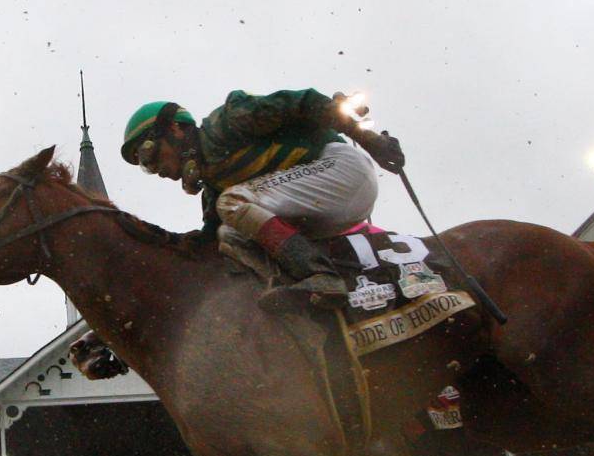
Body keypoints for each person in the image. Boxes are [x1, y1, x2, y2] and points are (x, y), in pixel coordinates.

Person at [119, 89, 405, 310]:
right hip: (327, 206)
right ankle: (299, 293)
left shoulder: (228, 122)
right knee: (228, 236)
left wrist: (368, 139)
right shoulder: (214, 187)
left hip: (343, 171)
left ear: (175, 129)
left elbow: (305, 102)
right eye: (146, 166)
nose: (155, 170)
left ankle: (321, 277)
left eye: (148, 154)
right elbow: (208, 247)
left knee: (232, 203)